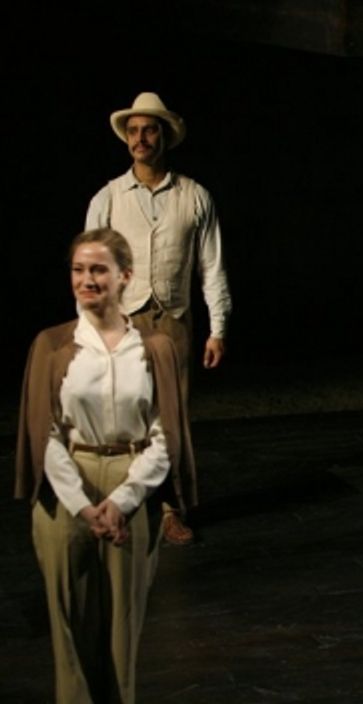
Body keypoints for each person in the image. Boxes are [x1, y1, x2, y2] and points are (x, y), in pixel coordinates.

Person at [14, 228, 195, 703]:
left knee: (122, 626)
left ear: (125, 277)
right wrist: (82, 505)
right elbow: (45, 436)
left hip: (131, 480)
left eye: (98, 269)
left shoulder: (154, 347)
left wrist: (123, 500)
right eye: (78, 269)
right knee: (69, 628)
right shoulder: (52, 345)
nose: (86, 280)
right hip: (66, 483)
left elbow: (164, 436)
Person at [85, 91, 230, 544]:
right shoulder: (108, 197)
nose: (140, 138)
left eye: (149, 130)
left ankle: (171, 510)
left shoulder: (194, 196)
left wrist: (218, 328)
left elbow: (212, 266)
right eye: (133, 131)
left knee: (171, 421)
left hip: (174, 321)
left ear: (163, 137)